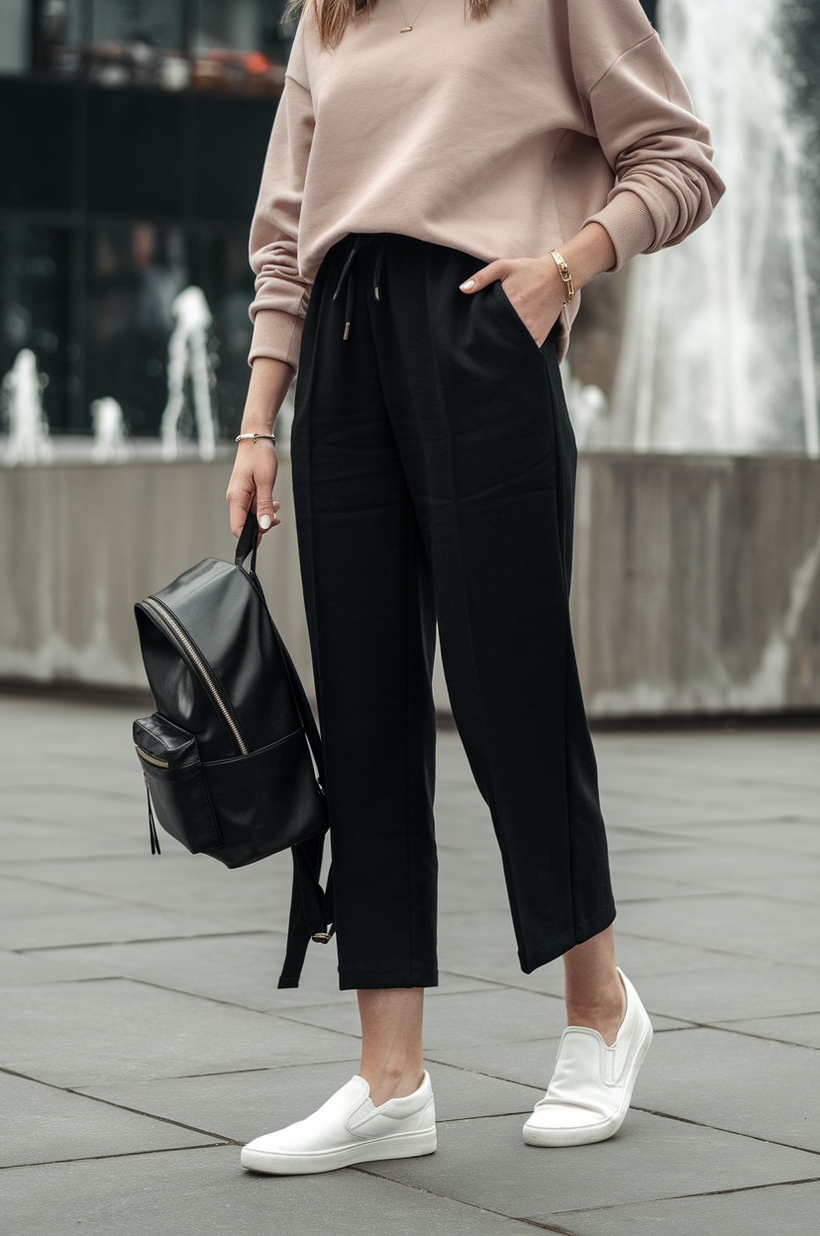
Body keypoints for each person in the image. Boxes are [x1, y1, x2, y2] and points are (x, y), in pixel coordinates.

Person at [227, 0, 724, 1175]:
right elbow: (287, 231)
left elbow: (678, 160)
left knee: (510, 694)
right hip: (339, 367)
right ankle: (387, 1078)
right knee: (363, 717)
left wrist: (563, 267)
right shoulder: (327, 16)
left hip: (478, 332)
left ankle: (598, 1011)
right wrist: (257, 414)